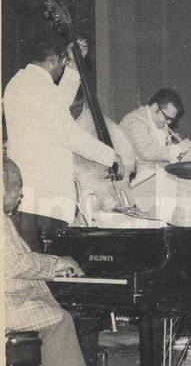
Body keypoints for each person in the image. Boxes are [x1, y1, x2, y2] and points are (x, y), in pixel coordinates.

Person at [3, 158, 111, 366]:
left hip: (12, 299)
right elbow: (14, 264)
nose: (20, 195)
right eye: (17, 188)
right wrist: (56, 263)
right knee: (59, 319)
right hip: (7, 305)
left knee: (60, 316)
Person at [3, 36, 122, 250]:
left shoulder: (21, 82)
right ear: (53, 59)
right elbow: (68, 133)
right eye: (63, 62)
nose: (63, 67)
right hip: (45, 201)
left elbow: (57, 109)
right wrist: (110, 156)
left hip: (30, 199)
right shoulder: (41, 88)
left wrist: (74, 68)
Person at [119, 88, 191, 181]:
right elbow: (145, 151)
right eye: (167, 117)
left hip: (156, 180)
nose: (169, 123)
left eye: (171, 120)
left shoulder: (160, 124)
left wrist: (177, 147)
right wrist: (176, 149)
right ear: (155, 107)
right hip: (135, 182)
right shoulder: (134, 120)